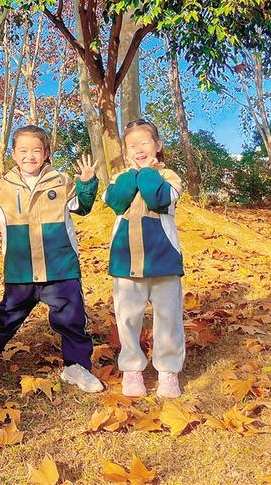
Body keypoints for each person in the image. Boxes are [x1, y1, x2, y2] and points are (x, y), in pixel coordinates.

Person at [0, 125, 103, 393]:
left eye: (36, 150)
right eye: (23, 150)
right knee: (5, 317)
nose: (30, 156)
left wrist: (86, 183)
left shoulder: (61, 181)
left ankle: (76, 366)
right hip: (20, 269)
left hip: (60, 268)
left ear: (46, 153)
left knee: (71, 318)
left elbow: (82, 207)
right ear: (13, 154)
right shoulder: (3, 186)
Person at [103, 118, 185, 398]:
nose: (138, 149)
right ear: (125, 151)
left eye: (144, 143)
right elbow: (117, 200)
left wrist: (147, 172)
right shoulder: (119, 178)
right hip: (126, 262)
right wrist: (134, 174)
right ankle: (132, 369)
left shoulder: (169, 176)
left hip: (164, 261)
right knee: (127, 318)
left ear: (157, 145)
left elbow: (158, 198)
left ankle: (168, 371)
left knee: (168, 319)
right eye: (132, 146)